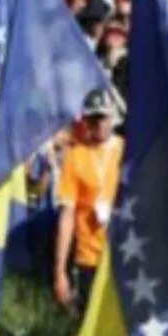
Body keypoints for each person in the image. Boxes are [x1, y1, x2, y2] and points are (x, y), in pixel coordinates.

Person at [53, 90, 123, 313]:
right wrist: (60, 271)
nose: (99, 124)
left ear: (112, 118)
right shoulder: (75, 157)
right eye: (93, 118)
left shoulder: (127, 151)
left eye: (103, 117)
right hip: (89, 257)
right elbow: (67, 216)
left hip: (124, 253)